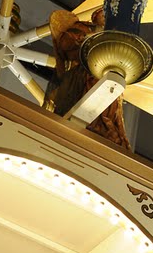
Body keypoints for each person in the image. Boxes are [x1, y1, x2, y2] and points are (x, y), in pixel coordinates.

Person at [42, 8, 132, 150]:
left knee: (109, 101)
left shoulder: (112, 36)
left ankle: (104, 126)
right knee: (93, 89)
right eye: (104, 14)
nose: (106, 18)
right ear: (95, 16)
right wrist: (87, 38)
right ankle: (95, 123)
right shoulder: (82, 27)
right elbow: (66, 43)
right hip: (87, 70)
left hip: (103, 72)